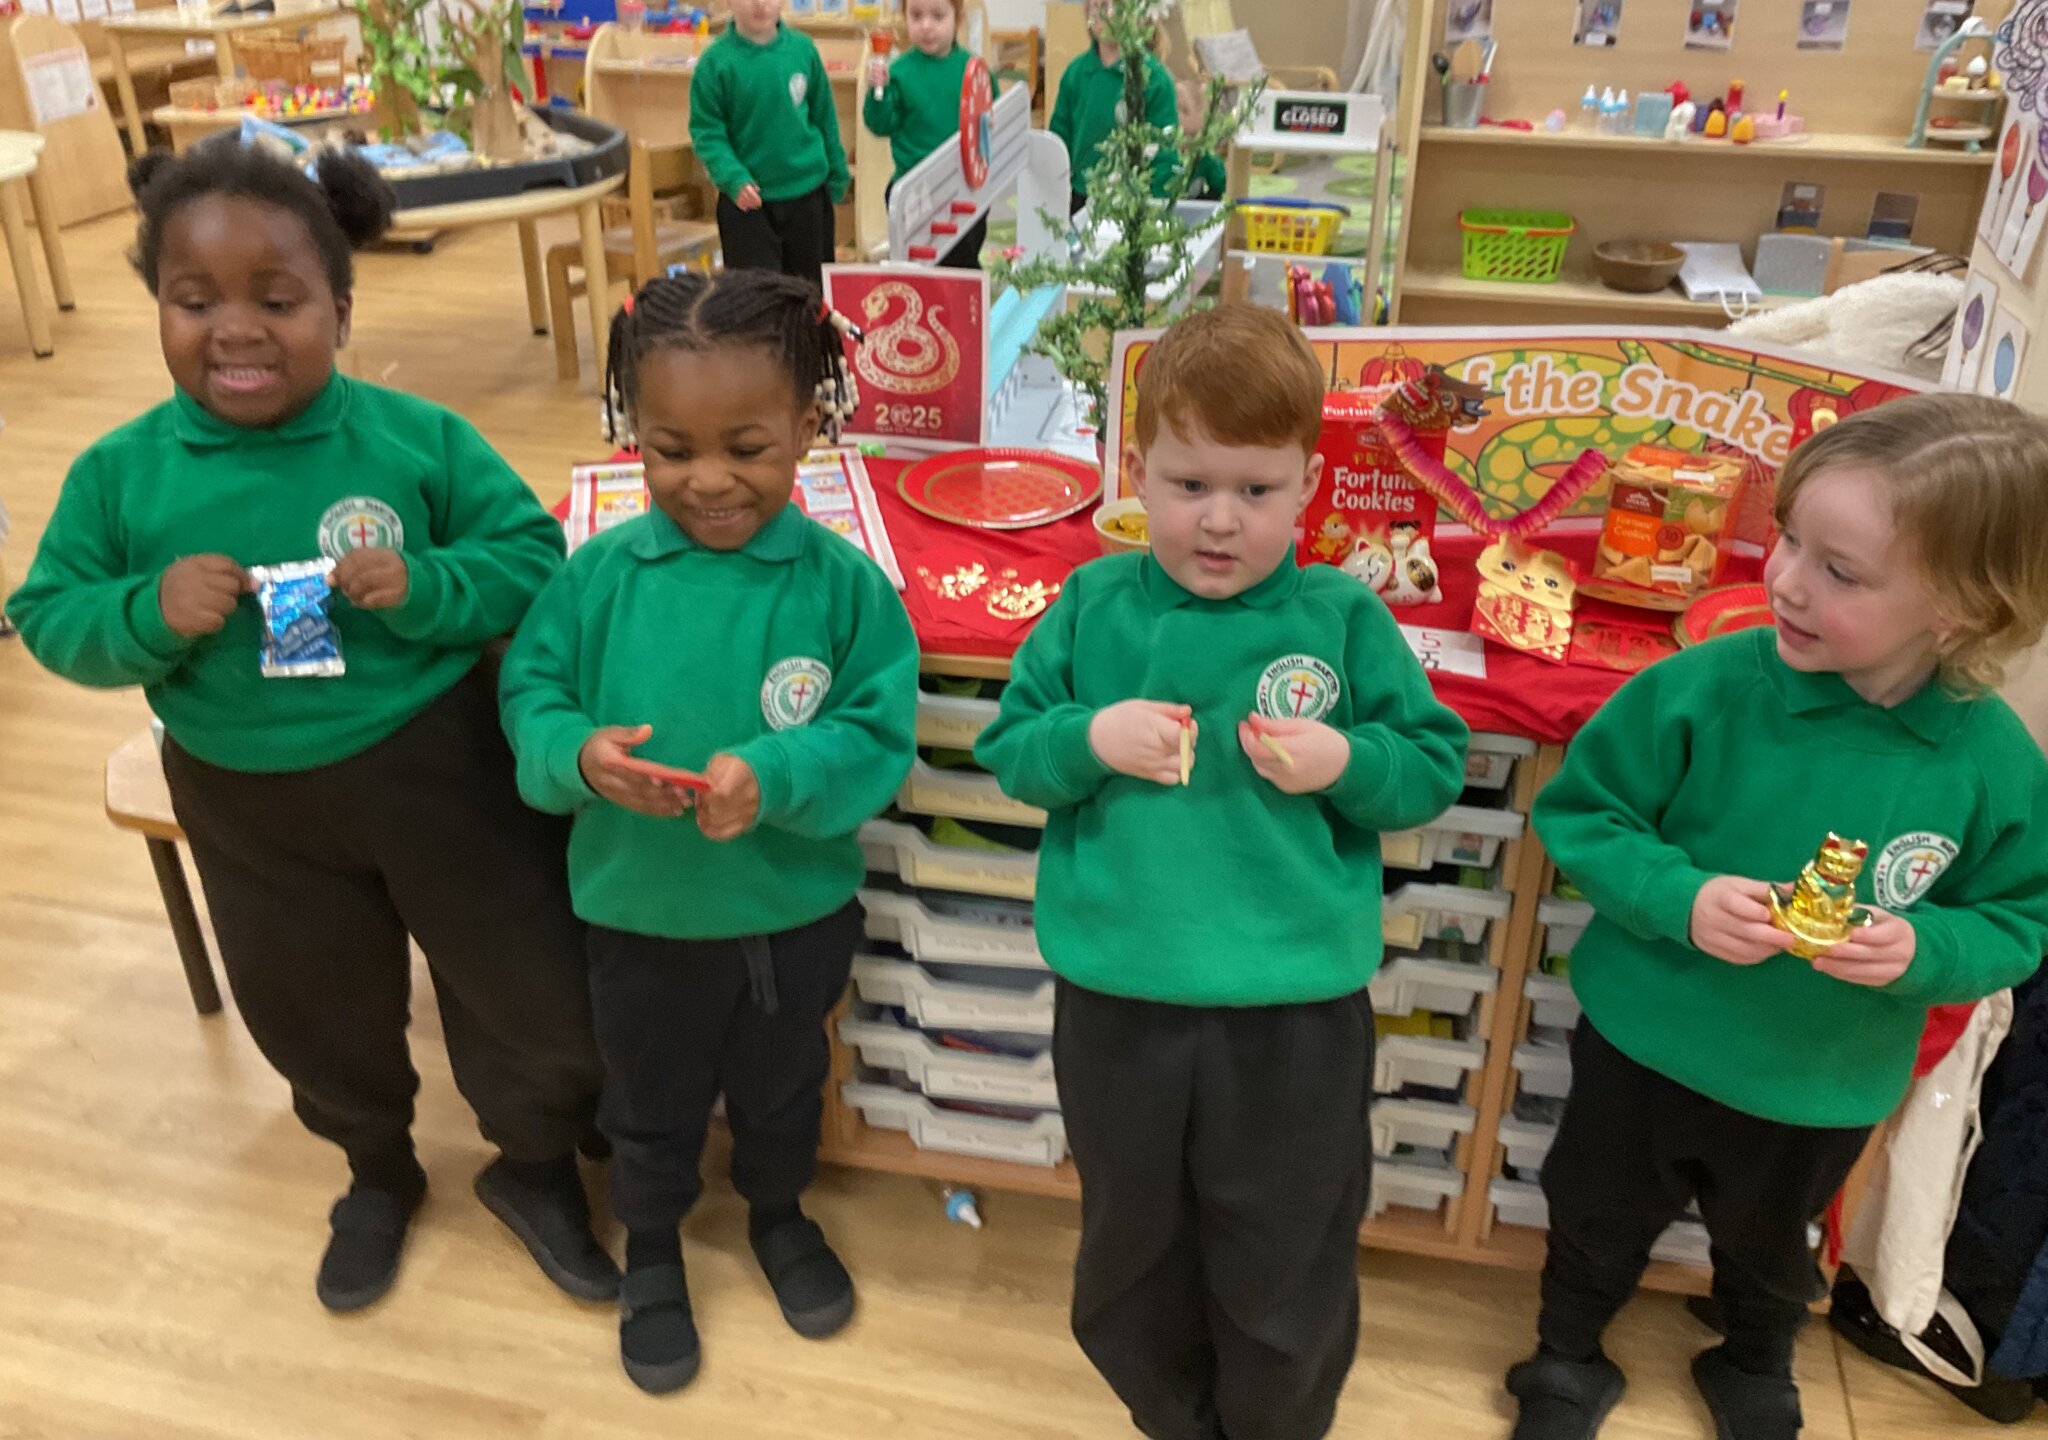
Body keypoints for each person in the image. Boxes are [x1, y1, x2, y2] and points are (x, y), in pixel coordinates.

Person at [7, 141, 614, 1315]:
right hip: (246, 795)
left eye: (276, 301)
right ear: (159, 309)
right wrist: (143, 613)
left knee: (527, 987)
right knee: (307, 1003)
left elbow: (533, 557)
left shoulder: (412, 438)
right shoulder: (120, 474)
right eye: (195, 303)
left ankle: (534, 1171)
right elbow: (46, 614)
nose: (235, 329)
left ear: (340, 306)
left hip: (440, 764)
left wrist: (428, 584)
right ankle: (376, 1171)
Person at [1506, 394, 2048, 1440]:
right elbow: (1581, 812)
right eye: (1789, 541)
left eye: (1838, 572)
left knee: (1772, 1244)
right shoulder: (1703, 688)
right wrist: (1680, 896)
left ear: (1964, 609)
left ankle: (1753, 1355)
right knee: (1595, 1214)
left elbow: (2016, 921)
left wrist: (1924, 947)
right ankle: (1563, 1353)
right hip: (1646, 1046)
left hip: (1820, 1081)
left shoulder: (1992, 765)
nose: (1787, 582)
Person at [975, 303, 1470, 1439]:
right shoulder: (1094, 603)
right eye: (1190, 484)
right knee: (1129, 1256)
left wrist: (1346, 760)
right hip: (1119, 1004)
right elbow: (1010, 748)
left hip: (1291, 1013)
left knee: (1285, 1257)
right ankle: (1172, 1419)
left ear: (1308, 485)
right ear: (1136, 470)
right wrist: (1089, 741)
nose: (1218, 522)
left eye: (1255, 491)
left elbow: (1428, 764)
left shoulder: (1340, 616)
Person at [499, 269, 918, 1395]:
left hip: (792, 910)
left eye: (748, 446)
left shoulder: (841, 588)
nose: (710, 480)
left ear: (808, 429)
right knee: (648, 1100)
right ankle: (652, 1251)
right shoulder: (593, 581)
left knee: (784, 1086)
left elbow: (877, 728)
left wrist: (774, 774)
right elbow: (530, 699)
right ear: (632, 434)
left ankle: (777, 1214)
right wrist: (579, 755)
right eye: (671, 449)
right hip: (639, 915)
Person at [689, 0, 851, 287]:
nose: (760, 0)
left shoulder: (803, 50)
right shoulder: (715, 63)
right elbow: (707, 132)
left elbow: (824, 116)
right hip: (748, 205)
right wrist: (732, 177)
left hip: (808, 196)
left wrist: (838, 173)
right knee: (756, 299)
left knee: (810, 295)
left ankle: (810, 345)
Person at [863, 0, 986, 269]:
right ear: (904, 16)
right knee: (916, 265)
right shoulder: (899, 71)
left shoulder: (972, 68)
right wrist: (877, 93)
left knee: (963, 262)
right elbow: (879, 125)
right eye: (916, 15)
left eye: (937, 15)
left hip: (963, 185)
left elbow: (989, 117)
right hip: (914, 189)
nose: (926, 25)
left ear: (957, 17)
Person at [1048, 0, 1181, 217]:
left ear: (1142, 14)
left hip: (1136, 199)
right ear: (1087, 14)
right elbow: (1059, 139)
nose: (1110, 14)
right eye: (1100, 6)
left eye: (1120, 5)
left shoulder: (1155, 79)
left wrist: (1158, 204)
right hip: (1082, 195)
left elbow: (1165, 151)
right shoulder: (1076, 74)